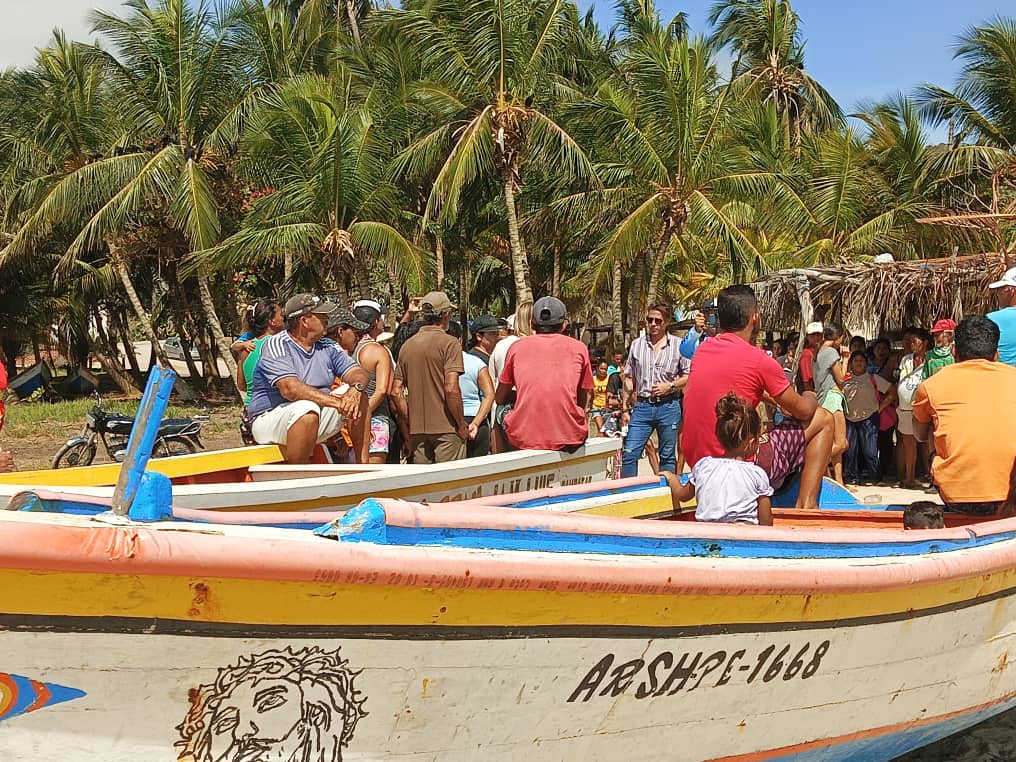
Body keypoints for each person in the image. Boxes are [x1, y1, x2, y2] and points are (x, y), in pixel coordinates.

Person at [681, 285, 834, 509]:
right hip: (741, 462)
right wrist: (810, 395)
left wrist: (771, 399)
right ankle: (807, 506)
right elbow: (803, 410)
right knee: (823, 419)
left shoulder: (703, 351)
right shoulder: (759, 360)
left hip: (700, 463)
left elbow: (737, 387)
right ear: (755, 317)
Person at [247, 294, 368, 464]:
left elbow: (358, 373)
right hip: (269, 419)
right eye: (321, 315)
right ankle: (297, 477)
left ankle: (362, 465)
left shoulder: (328, 345)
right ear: (304, 321)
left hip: (314, 415)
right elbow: (290, 389)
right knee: (306, 408)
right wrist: (338, 403)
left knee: (359, 397)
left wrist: (355, 390)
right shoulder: (277, 344)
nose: (327, 319)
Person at [913, 315, 1016, 515]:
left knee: (931, 423)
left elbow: (918, 433)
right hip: (1011, 495)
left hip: (958, 497)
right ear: (996, 355)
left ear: (954, 351)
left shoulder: (932, 385)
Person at [495, 296, 593, 452]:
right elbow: (583, 396)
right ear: (564, 324)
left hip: (524, 437)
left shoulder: (517, 347)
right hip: (570, 436)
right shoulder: (579, 348)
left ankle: (500, 459)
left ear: (532, 323)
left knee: (500, 410)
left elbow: (499, 397)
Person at [661, 393, 773, 526]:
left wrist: (672, 478)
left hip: (707, 538)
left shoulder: (704, 466)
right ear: (751, 442)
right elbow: (766, 521)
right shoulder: (756, 474)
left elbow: (683, 495)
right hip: (743, 538)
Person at [389, 291, 468, 464]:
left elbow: (395, 392)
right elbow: (451, 388)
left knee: (425, 485)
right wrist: (461, 423)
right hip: (447, 428)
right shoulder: (450, 343)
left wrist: (410, 419)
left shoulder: (407, 346)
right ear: (446, 315)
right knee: (450, 485)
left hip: (417, 432)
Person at [620, 303, 686, 477]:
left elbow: (690, 375)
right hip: (642, 407)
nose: (654, 324)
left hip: (669, 405)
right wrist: (624, 409)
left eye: (658, 321)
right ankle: (628, 495)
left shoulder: (679, 345)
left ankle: (666, 495)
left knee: (667, 456)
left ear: (667, 322)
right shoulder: (637, 345)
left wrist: (670, 386)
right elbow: (628, 377)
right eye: (650, 320)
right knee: (629, 453)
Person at [347, 302, 396, 465]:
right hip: (375, 419)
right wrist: (364, 415)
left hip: (349, 419)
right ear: (376, 322)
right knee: (373, 478)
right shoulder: (377, 351)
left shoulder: (349, 349)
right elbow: (382, 390)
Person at [842, 351, 896, 485]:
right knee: (850, 451)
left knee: (870, 451)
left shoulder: (874, 378)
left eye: (861, 360)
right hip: (850, 419)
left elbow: (892, 392)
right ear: (851, 364)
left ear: (866, 363)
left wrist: (881, 408)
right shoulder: (845, 380)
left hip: (869, 419)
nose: (859, 363)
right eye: (855, 360)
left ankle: (875, 476)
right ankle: (852, 477)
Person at [488, 301, 533, 453]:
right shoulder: (527, 346)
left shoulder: (500, 345)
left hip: (499, 414)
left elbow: (492, 379)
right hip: (523, 414)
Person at [447, 320, 495, 457]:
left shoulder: (436, 363)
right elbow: (489, 394)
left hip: (450, 421)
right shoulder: (476, 362)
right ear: (459, 339)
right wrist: (476, 423)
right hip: (475, 420)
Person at [812, 322, 849, 485]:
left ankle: (838, 482)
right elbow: (841, 378)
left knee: (834, 443)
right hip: (833, 397)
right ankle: (815, 463)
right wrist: (846, 359)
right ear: (838, 338)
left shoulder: (818, 353)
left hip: (823, 399)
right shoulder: (831, 352)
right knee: (842, 443)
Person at [895, 327, 931, 489]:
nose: (912, 344)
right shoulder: (906, 359)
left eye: (915, 341)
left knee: (926, 443)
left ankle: (931, 477)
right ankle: (909, 477)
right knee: (908, 442)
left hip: (923, 407)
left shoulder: (931, 360)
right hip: (905, 407)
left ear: (924, 343)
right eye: (910, 341)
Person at [987, 266, 1016, 367]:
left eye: (1000, 289)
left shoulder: (990, 320)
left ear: (1011, 291)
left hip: (1003, 378)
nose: (997, 293)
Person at [796, 322, 823, 392]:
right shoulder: (807, 355)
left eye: (818, 334)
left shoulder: (820, 352)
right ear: (807, 336)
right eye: (813, 335)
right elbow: (807, 383)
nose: (816, 337)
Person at [588, 360, 612, 434]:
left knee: (607, 431)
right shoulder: (593, 379)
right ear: (597, 368)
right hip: (596, 408)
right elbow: (589, 394)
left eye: (605, 369)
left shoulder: (610, 379)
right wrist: (587, 406)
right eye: (601, 368)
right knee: (601, 429)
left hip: (607, 408)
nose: (603, 371)